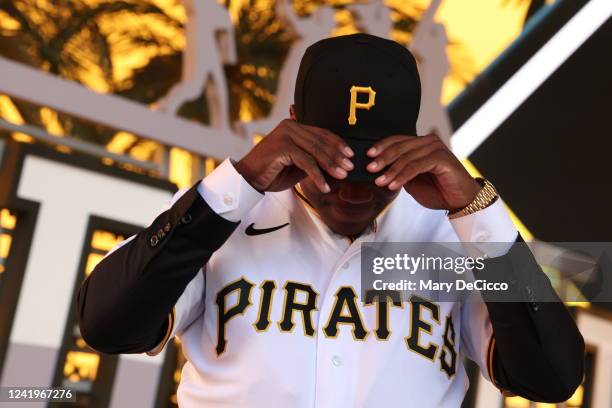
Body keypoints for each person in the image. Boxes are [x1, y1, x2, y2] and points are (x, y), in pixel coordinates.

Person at [77, 33, 584, 407]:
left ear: (413, 145)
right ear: (294, 128)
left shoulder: (451, 240)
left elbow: (551, 377)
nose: (353, 189)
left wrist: (477, 211)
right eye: (333, 163)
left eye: (374, 168)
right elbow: (108, 325)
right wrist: (242, 180)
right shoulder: (218, 212)